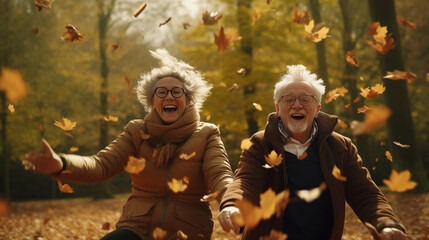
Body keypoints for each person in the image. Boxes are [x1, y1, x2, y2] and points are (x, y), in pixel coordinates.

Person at [23, 48, 234, 240]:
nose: (169, 96)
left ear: (188, 100)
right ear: (152, 101)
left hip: (187, 231)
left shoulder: (207, 134)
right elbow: (101, 165)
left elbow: (221, 175)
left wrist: (230, 203)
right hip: (137, 228)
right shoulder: (136, 131)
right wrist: (62, 164)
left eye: (177, 91)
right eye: (161, 92)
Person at [217, 65, 407, 240]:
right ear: (277, 109)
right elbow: (245, 180)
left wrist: (387, 224)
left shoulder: (341, 147)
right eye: (288, 99)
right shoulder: (260, 143)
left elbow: (365, 193)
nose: (297, 105)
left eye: (305, 99)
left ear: (317, 109)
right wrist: (232, 204)